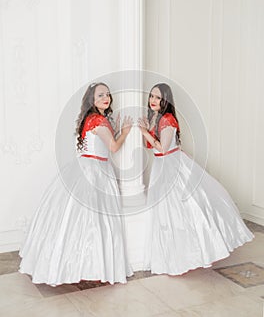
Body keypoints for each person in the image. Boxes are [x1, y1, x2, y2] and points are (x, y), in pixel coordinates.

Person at [19, 82, 134, 286]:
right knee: (95, 221)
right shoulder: (98, 120)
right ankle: (94, 265)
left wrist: (114, 129)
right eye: (100, 95)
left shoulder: (89, 119)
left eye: (107, 94)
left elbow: (103, 144)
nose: (105, 98)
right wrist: (125, 132)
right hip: (96, 171)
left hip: (85, 167)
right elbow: (114, 147)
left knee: (78, 220)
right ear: (92, 99)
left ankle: (78, 264)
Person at [138, 83, 254, 275]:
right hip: (161, 166)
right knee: (165, 212)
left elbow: (163, 148)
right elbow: (149, 146)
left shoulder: (167, 119)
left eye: (158, 97)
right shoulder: (156, 118)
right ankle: (169, 255)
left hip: (172, 166)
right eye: (151, 96)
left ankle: (190, 253)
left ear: (165, 100)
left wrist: (143, 132)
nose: (153, 100)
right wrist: (147, 128)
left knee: (180, 209)